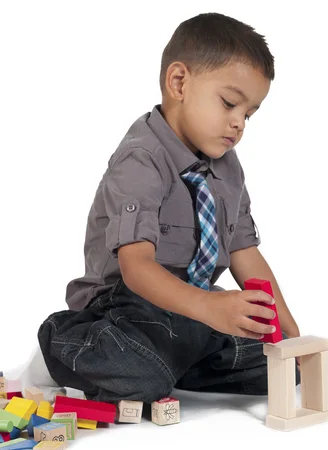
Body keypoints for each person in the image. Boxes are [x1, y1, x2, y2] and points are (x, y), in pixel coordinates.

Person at [19, 12, 301, 404]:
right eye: (229, 103)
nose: (239, 124)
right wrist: (208, 306)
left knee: (279, 368)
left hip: (190, 310)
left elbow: (244, 252)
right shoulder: (142, 159)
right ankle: (61, 349)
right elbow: (136, 269)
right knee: (147, 373)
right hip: (123, 307)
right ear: (179, 82)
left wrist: (291, 338)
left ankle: (174, 362)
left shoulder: (228, 168)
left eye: (249, 114)